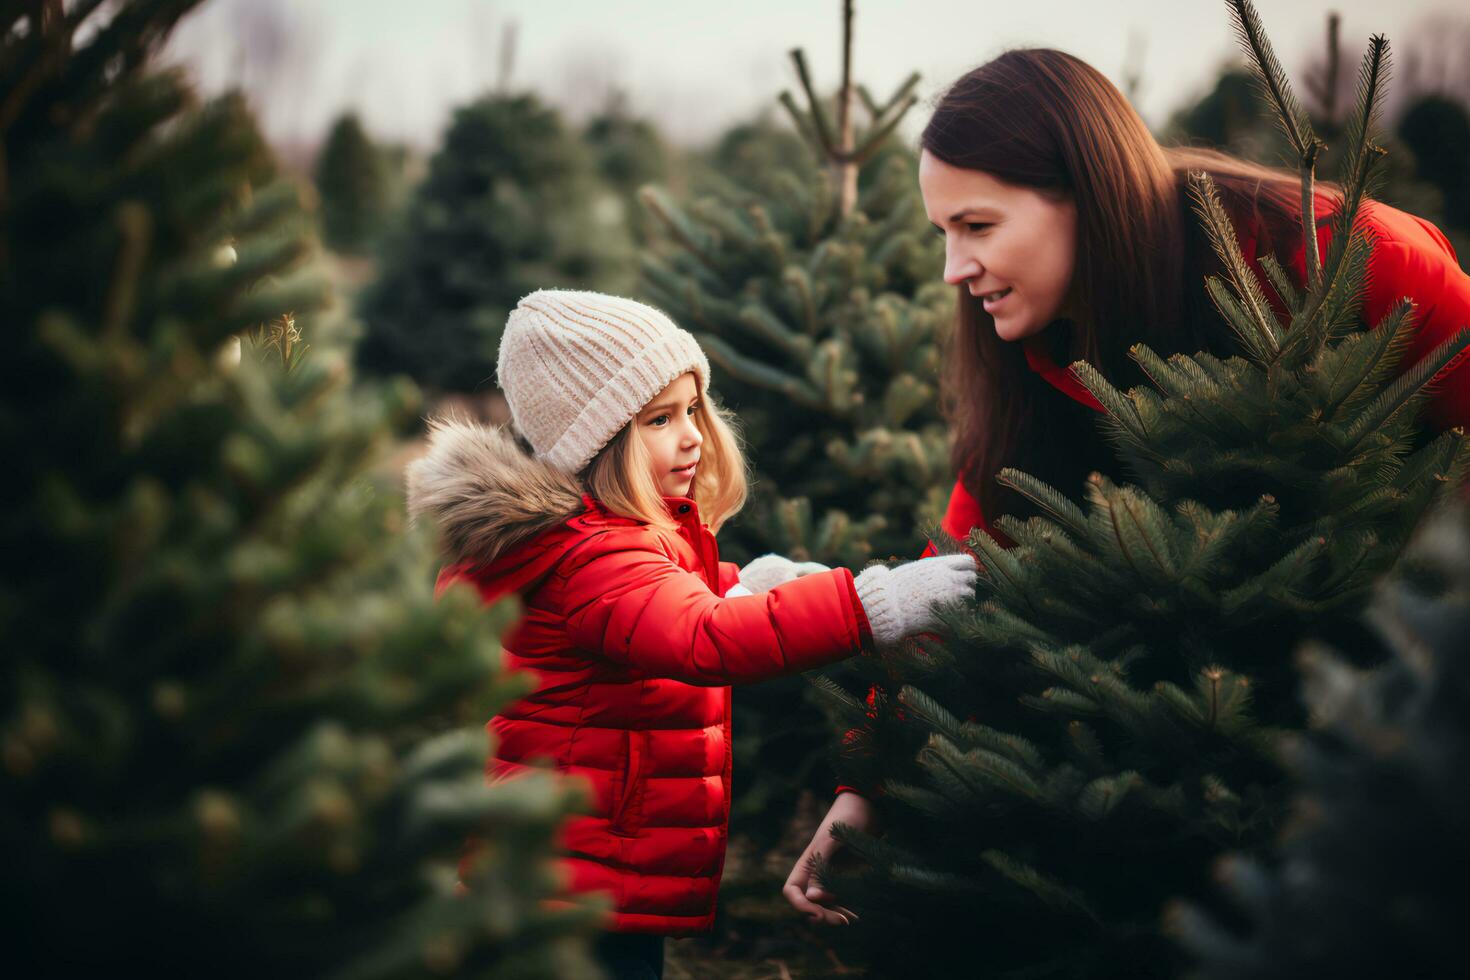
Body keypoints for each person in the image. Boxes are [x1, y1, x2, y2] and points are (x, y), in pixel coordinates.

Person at [784, 47, 1470, 926]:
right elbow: (960, 566)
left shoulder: (1349, 259)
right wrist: (867, 780)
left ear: (1086, 194)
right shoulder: (1022, 347)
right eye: (942, 233)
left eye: (979, 227)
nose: (954, 268)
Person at [405, 289, 977, 979]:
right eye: (660, 419)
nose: (693, 436)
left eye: (692, 411)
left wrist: (749, 584)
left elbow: (672, 601)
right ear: (596, 440)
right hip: (570, 893)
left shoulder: (599, 540)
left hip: (570, 879)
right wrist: (871, 604)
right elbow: (702, 635)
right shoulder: (595, 558)